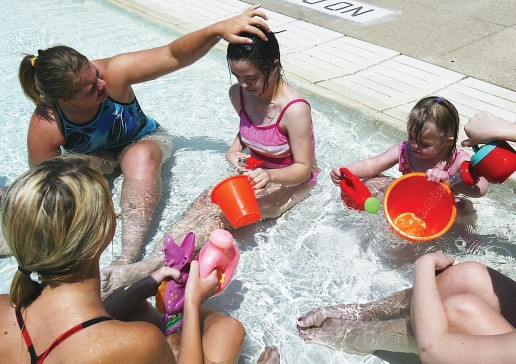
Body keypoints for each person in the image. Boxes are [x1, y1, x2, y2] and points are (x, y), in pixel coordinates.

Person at [297, 110, 516, 363]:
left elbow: (435, 350)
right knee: (469, 276)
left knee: (456, 315)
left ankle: (353, 334)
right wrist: (504, 130)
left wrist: (424, 267)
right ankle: (361, 312)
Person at [18, 5, 270, 267]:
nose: (101, 83)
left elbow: (173, 55)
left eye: (95, 73)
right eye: (91, 88)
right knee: (74, 168)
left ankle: (128, 255)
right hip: (95, 158)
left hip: (142, 139)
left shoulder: (114, 73)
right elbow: (45, 184)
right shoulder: (47, 124)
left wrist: (218, 30)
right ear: (64, 99)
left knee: (140, 155)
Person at [100, 27, 319, 294]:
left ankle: (147, 269)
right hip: (256, 171)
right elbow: (249, 128)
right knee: (205, 200)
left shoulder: (295, 109)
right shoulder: (238, 94)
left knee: (221, 215)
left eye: (251, 77)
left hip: (290, 181)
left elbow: (304, 168)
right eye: (237, 76)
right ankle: (147, 260)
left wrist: (271, 176)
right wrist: (233, 149)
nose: (243, 85)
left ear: (274, 67)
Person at [0, 155, 245, 363]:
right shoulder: (140, 341)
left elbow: (75, 331)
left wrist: (147, 283)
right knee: (228, 330)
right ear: (101, 233)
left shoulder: (5, 308)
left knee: (137, 306)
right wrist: (192, 302)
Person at [330, 96, 488, 201]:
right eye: (412, 137)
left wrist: (450, 181)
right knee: (373, 181)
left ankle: (468, 239)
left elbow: (480, 189)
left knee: (465, 208)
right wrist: (347, 173)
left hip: (443, 204)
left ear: (447, 142)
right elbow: (372, 165)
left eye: (424, 144)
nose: (414, 146)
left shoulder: (459, 160)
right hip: (409, 197)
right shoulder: (405, 150)